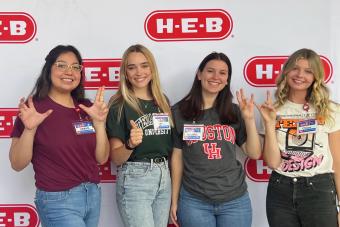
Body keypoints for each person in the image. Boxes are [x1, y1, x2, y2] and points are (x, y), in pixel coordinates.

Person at [9, 45, 110, 227]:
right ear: (49, 70)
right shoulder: (34, 109)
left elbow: (101, 158)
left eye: (75, 67)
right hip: (58, 200)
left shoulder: (86, 107)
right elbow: (17, 163)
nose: (69, 71)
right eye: (61, 65)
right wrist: (30, 129)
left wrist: (100, 124)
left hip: (92, 195)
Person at [170, 52, 262, 227]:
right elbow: (177, 158)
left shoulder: (234, 112)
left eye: (222, 73)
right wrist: (175, 200)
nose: (216, 77)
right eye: (210, 71)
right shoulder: (179, 112)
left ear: (227, 79)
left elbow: (254, 153)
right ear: (199, 74)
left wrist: (249, 119)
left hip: (235, 201)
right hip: (194, 201)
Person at [258, 48, 340, 227]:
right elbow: (272, 163)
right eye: (295, 68)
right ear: (286, 71)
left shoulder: (330, 110)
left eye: (308, 71)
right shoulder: (272, 110)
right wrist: (270, 124)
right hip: (280, 190)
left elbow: (338, 163)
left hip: (319, 190)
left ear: (316, 77)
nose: (300, 75)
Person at [106, 44, 172, 227]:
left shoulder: (163, 102)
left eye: (144, 65)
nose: (139, 72)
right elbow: (116, 157)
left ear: (152, 69)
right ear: (125, 73)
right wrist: (130, 144)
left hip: (164, 176)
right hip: (136, 178)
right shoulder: (118, 105)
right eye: (131, 67)